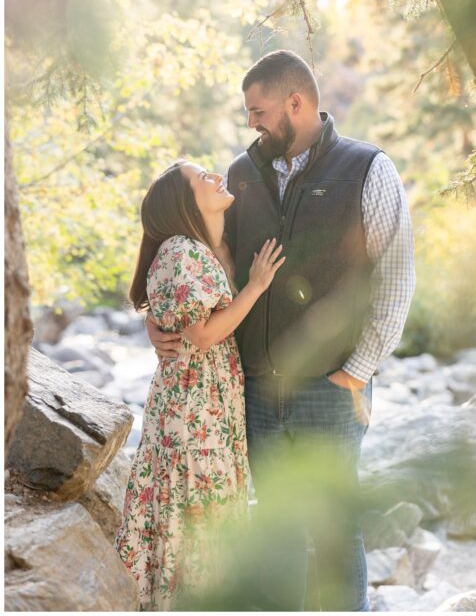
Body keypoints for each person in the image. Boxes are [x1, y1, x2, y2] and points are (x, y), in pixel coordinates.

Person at [145, 50, 415, 611]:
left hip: (330, 388)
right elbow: (200, 260)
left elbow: (395, 277)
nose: (251, 123)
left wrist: (356, 372)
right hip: (256, 393)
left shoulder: (367, 167)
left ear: (297, 103)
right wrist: (157, 320)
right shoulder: (243, 175)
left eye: (259, 110)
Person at [115, 160, 285, 610]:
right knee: (195, 518)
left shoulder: (210, 248)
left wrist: (155, 321)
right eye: (201, 178)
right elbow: (202, 334)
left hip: (209, 410)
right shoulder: (181, 251)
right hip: (193, 415)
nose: (214, 176)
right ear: (184, 203)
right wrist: (257, 285)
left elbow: (179, 315)